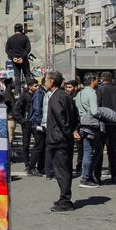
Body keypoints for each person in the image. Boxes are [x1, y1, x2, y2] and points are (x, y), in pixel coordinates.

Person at [45, 71, 80, 212]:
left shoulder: (56, 97)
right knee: (63, 169)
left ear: (52, 81)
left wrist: (69, 132)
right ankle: (64, 197)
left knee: (62, 170)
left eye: (46, 79)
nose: (45, 82)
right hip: (63, 138)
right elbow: (75, 114)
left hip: (59, 139)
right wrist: (73, 130)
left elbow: (61, 118)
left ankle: (65, 200)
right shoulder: (66, 95)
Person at [97, 72, 116, 182]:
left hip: (103, 123)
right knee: (113, 150)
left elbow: (98, 106)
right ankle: (114, 173)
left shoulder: (100, 90)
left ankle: (98, 175)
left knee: (100, 150)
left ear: (102, 79)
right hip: (115, 123)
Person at [75, 73, 101, 188]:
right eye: (96, 80)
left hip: (82, 124)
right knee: (89, 152)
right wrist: (104, 113)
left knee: (94, 150)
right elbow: (95, 111)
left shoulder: (79, 93)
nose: (98, 82)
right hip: (91, 125)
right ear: (92, 81)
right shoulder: (92, 93)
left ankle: (87, 175)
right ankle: (86, 177)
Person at [14, 79, 36, 172]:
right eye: (35, 86)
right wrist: (23, 121)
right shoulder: (24, 95)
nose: (37, 87)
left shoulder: (37, 94)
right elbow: (16, 110)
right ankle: (27, 164)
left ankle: (33, 163)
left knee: (39, 143)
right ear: (30, 86)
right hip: (26, 123)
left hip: (35, 123)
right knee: (26, 144)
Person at [5, 24, 32, 96]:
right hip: (24, 60)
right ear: (21, 29)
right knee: (27, 75)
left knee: (17, 76)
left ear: (14, 30)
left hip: (15, 60)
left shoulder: (10, 39)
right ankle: (31, 90)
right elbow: (28, 49)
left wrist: (13, 57)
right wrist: (22, 57)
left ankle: (17, 93)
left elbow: (7, 50)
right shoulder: (25, 38)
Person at [27, 78, 46, 176]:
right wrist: (39, 124)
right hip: (37, 123)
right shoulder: (39, 93)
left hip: (38, 123)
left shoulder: (42, 92)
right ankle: (31, 168)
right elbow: (37, 109)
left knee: (42, 146)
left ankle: (40, 167)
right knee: (39, 146)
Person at [3, 78, 16, 143]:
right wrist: (9, 115)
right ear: (8, 84)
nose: (14, 84)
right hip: (10, 119)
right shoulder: (7, 93)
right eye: (12, 83)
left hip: (12, 118)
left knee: (11, 137)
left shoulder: (10, 92)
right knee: (10, 139)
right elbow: (6, 105)